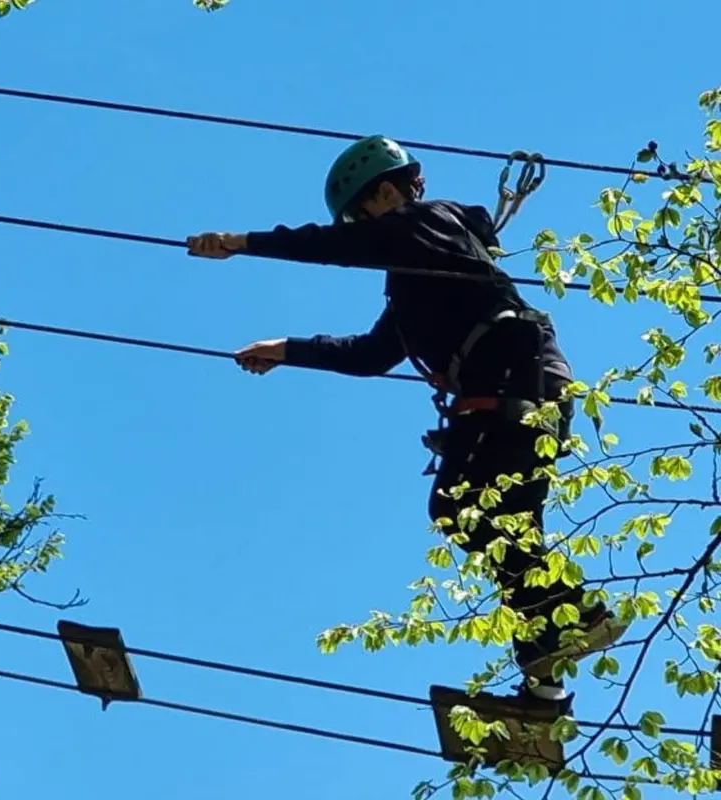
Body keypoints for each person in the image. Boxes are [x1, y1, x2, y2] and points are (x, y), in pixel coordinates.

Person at [186, 134, 627, 708]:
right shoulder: (416, 280)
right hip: (526, 387)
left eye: (363, 216)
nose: (364, 230)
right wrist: (285, 349)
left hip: (510, 384)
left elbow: (333, 246)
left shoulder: (424, 221)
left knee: (460, 509)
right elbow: (368, 355)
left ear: (386, 193)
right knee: (511, 536)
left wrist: (239, 243)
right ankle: (544, 682)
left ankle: (584, 615)